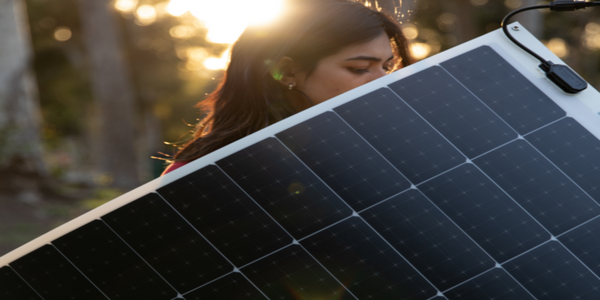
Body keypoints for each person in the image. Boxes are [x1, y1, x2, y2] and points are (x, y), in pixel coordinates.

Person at [162, 0, 414, 175]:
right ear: (288, 72)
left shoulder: (402, 149)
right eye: (359, 68)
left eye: (387, 67)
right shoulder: (198, 175)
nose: (384, 80)